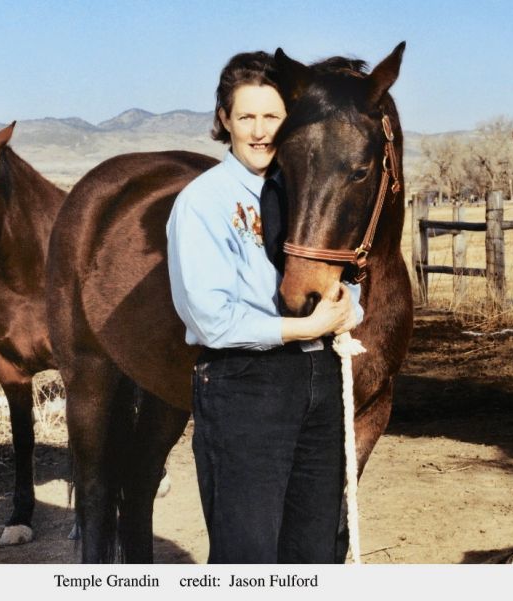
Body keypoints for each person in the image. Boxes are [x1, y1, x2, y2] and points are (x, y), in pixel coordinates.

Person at [166, 51, 363, 563]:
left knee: (316, 551)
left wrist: (346, 307)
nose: (260, 131)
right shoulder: (203, 201)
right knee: (248, 557)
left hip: (320, 381)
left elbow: (341, 272)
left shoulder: (308, 189)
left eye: (272, 116)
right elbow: (209, 317)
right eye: (246, 116)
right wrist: (305, 328)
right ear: (224, 121)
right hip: (245, 383)